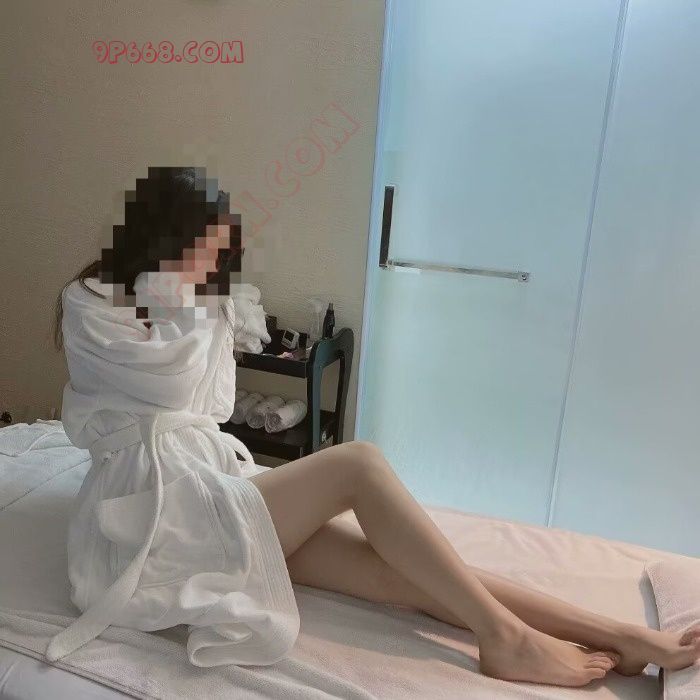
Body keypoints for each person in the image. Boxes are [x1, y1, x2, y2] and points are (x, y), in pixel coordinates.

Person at [50, 166, 699, 686]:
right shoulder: (92, 299)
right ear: (162, 235)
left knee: (407, 571)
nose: (212, 266)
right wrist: (192, 296)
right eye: (205, 249)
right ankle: (505, 638)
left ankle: (620, 635)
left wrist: (199, 299)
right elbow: (167, 384)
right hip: (152, 512)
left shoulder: (187, 301)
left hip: (204, 485)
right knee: (357, 464)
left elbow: (212, 404)